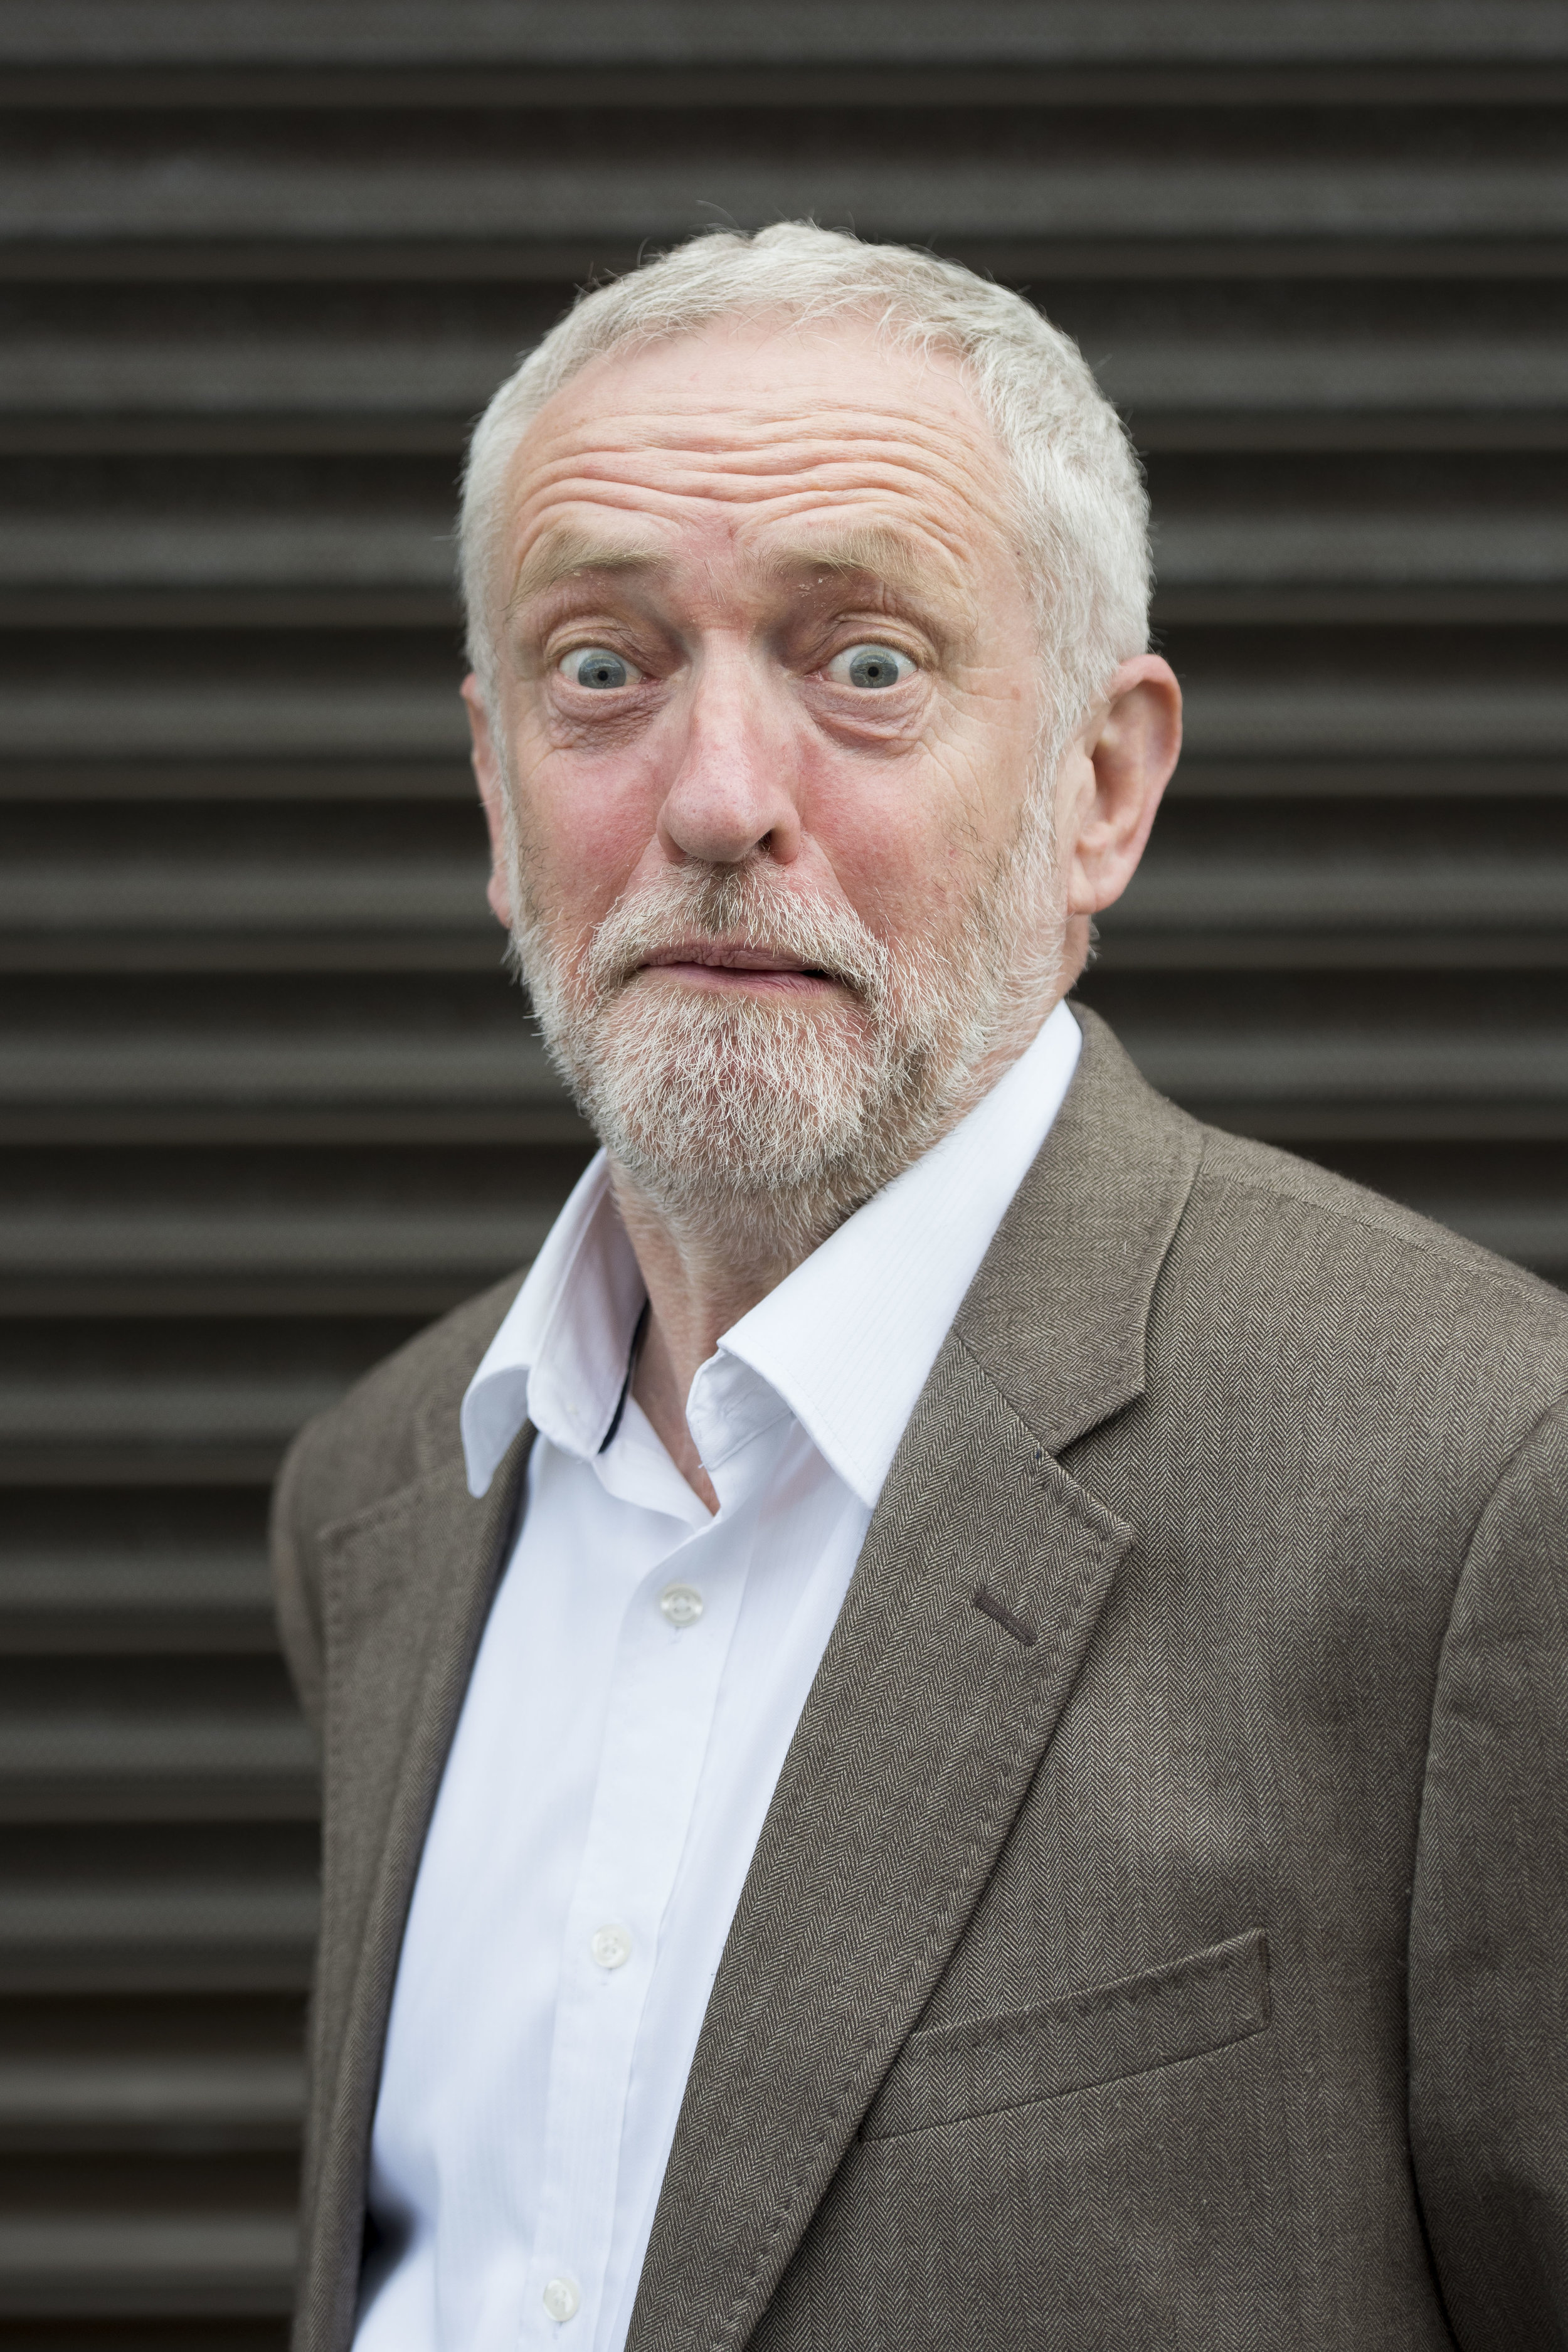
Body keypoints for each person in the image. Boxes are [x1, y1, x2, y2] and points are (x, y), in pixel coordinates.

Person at [271, 224, 1568, 2352]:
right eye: (601, 667)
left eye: (863, 663)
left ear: (1100, 785)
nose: (711, 799)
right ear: (495, 789)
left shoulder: (1479, 1492)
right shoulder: (387, 1499)